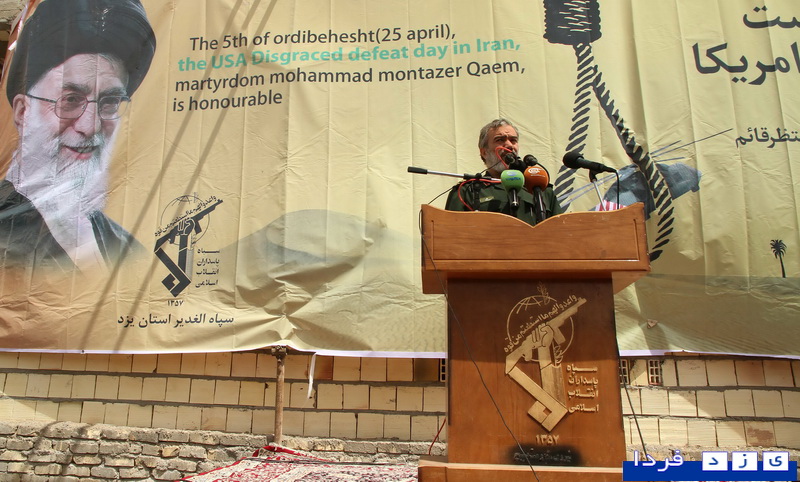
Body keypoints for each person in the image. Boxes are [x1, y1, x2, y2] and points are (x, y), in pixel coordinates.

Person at [0, 0, 156, 271]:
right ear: (23, 111)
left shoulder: (126, 247)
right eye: (71, 99)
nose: (90, 126)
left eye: (109, 103)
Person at [445, 118, 563, 225]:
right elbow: (450, 234)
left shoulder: (539, 188)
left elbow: (562, 233)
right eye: (500, 140)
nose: (509, 145)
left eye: (513, 140)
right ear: (484, 152)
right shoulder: (466, 191)